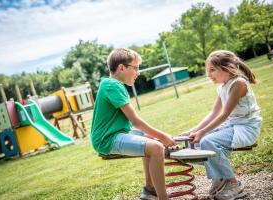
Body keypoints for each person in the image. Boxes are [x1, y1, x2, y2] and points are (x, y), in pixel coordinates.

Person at [91, 48, 176, 200]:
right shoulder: (113, 86)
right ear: (121, 67)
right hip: (107, 139)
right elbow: (135, 121)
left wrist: (156, 135)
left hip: (117, 133)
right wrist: (163, 136)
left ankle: (150, 190)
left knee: (151, 140)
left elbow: (134, 124)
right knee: (156, 147)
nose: (138, 72)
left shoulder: (111, 84)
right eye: (135, 68)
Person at [180, 50, 262, 200]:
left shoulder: (238, 84)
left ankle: (233, 184)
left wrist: (202, 133)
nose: (209, 75)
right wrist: (193, 131)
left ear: (227, 67)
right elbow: (213, 114)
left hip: (246, 128)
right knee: (190, 144)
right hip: (232, 126)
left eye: (212, 70)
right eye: (207, 71)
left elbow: (223, 114)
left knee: (207, 141)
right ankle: (220, 178)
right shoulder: (222, 87)